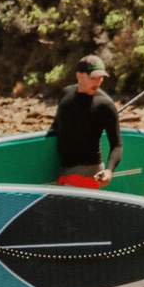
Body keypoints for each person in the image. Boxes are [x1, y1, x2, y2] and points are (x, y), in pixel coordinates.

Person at [47, 55, 121, 189]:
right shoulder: (66, 94)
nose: (98, 82)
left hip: (88, 171)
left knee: (68, 209)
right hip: (62, 168)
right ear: (79, 76)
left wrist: (109, 171)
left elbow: (117, 145)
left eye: (101, 77)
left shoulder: (105, 104)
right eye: (93, 78)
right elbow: (56, 126)